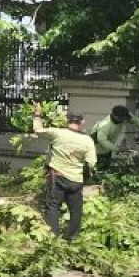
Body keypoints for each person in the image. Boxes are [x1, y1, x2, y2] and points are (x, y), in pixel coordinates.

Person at [32, 102, 97, 240]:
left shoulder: (58, 134)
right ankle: (70, 239)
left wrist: (37, 114)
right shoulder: (88, 141)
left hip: (57, 177)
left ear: (67, 120)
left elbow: (37, 130)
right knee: (76, 211)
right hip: (76, 181)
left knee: (53, 207)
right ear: (82, 122)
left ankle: (52, 239)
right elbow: (91, 163)